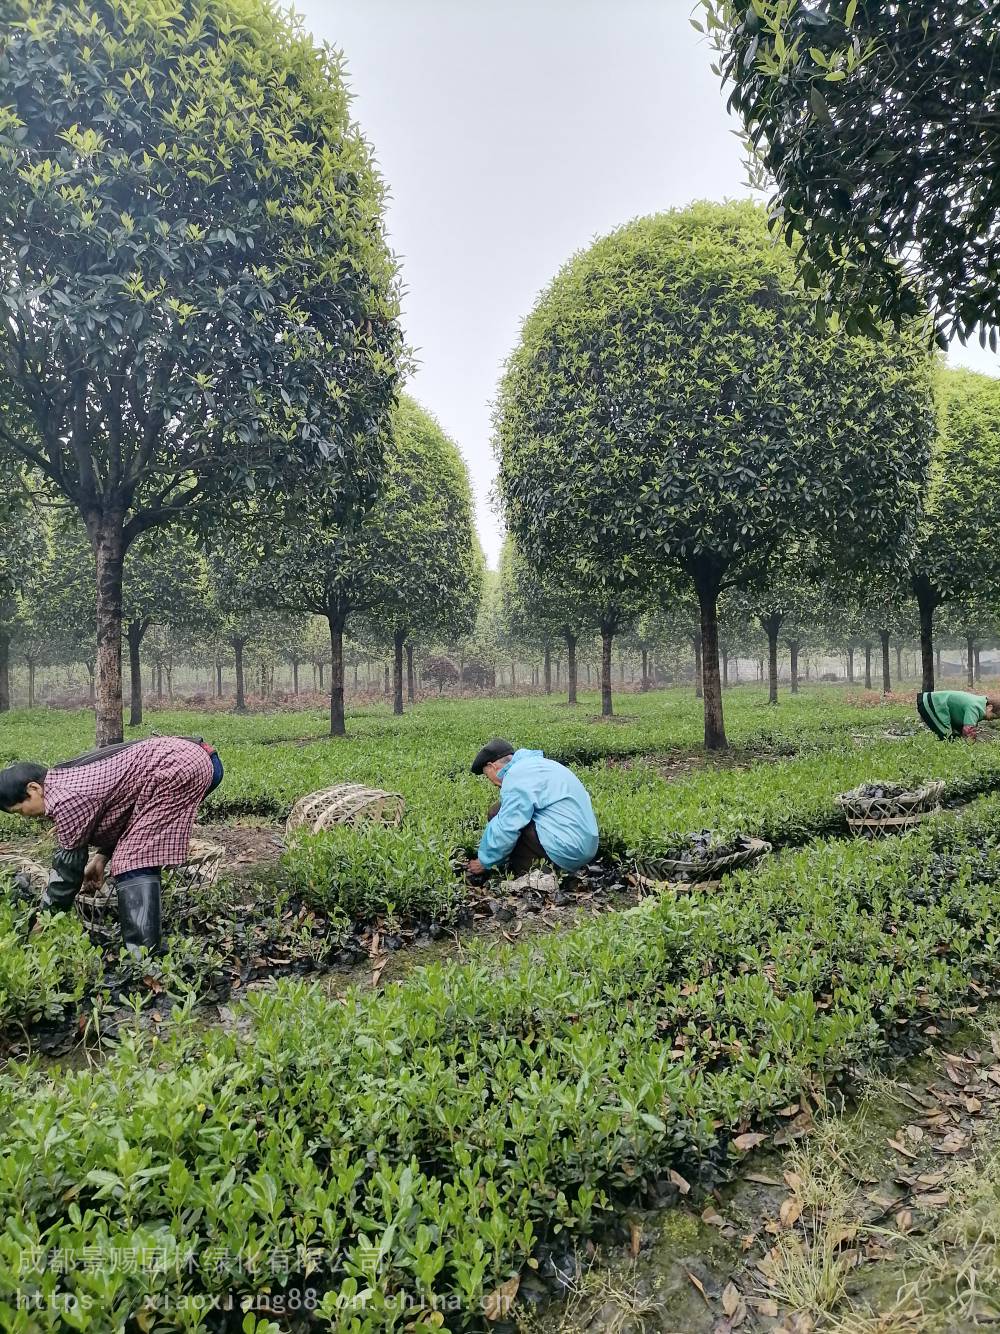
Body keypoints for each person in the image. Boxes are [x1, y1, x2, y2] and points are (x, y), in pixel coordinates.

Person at [0, 735, 223, 954]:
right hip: (199, 758)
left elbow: (66, 872)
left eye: (20, 811)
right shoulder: (63, 779)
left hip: (180, 765)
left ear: (33, 789)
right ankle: (144, 950)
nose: (25, 817)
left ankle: (143, 957)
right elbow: (126, 813)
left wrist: (44, 922)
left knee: (133, 858)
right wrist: (101, 857)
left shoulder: (65, 799)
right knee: (135, 845)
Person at [466, 738, 599, 878]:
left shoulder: (516, 775)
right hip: (585, 846)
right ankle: (556, 870)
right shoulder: (541, 765)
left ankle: (537, 876)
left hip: (566, 849)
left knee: (500, 816)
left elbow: (507, 826)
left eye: (488, 776)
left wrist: (485, 861)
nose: (494, 784)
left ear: (492, 766)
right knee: (501, 810)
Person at [916, 689, 1000, 741]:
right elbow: (968, 731)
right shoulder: (975, 707)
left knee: (954, 737)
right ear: (989, 707)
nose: (991, 720)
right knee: (946, 737)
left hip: (939, 707)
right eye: (993, 716)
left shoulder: (979, 704)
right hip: (932, 704)